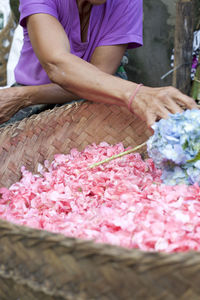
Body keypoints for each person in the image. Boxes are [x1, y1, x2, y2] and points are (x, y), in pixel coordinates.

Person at [0, 0, 197, 127]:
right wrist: (137, 94)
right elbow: (56, 64)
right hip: (38, 91)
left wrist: (23, 96)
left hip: (99, 92)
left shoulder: (126, 2)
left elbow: (100, 75)